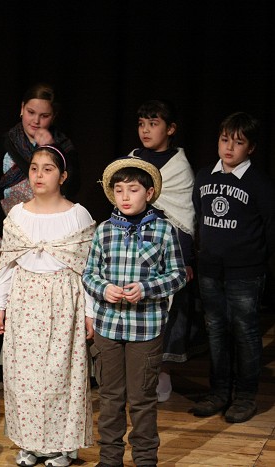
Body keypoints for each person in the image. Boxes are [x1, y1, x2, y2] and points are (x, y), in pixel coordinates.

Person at [0, 145, 95, 467]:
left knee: (60, 375)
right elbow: (7, 264)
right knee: (24, 376)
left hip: (63, 301)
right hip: (25, 300)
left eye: (48, 169)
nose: (39, 175)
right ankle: (29, 443)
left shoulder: (77, 215)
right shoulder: (18, 215)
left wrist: (90, 312)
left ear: (62, 176)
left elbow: (88, 269)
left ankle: (63, 447)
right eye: (34, 168)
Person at [83, 157, 187, 467]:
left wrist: (147, 288)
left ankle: (144, 459)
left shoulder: (164, 230)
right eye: (119, 190)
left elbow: (178, 275)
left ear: (149, 193)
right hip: (108, 327)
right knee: (111, 398)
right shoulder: (104, 231)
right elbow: (89, 274)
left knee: (142, 399)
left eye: (133, 190)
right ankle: (110, 459)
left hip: (146, 328)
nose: (125, 196)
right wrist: (104, 289)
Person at [0, 83, 80, 390]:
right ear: (21, 109)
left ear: (53, 116)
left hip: (48, 234)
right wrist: (6, 227)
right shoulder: (5, 143)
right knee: (0, 295)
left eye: (44, 115)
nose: (36, 120)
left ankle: (45, 371)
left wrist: (51, 149)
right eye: (31, 112)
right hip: (6, 230)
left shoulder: (63, 147)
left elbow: (72, 187)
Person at [191, 112, 275, 423]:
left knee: (245, 332)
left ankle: (245, 396)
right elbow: (199, 216)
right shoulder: (204, 177)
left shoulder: (259, 183)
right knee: (215, 331)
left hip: (245, 273)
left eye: (238, 142)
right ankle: (219, 392)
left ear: (250, 148)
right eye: (225, 139)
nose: (229, 147)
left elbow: (270, 227)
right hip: (210, 270)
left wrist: (258, 262)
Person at [129, 99, 203, 401]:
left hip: (166, 250)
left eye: (153, 124)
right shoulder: (133, 159)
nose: (145, 130)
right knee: (136, 309)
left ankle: (163, 373)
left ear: (170, 129)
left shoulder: (178, 167)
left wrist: (184, 260)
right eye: (141, 124)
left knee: (167, 313)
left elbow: (185, 217)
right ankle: (136, 374)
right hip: (134, 249)